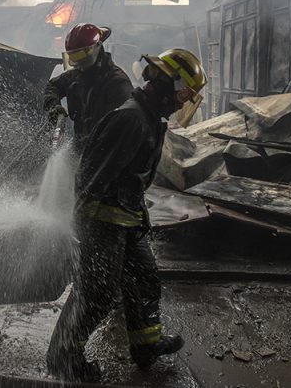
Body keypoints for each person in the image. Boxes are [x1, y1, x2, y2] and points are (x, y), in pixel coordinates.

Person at [46, 48, 207, 381]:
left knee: (144, 279)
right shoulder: (131, 119)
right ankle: (63, 356)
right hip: (105, 221)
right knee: (98, 292)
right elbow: (91, 175)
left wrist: (138, 213)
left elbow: (130, 177)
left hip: (126, 217)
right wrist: (92, 230)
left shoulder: (148, 118)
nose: (181, 102)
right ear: (170, 84)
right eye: (183, 94)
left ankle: (146, 344)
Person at [42, 23, 132, 154]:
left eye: (82, 57)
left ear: (97, 47)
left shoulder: (118, 84)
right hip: (80, 148)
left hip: (104, 154)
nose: (79, 65)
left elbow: (121, 133)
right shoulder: (77, 74)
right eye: (74, 58)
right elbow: (53, 86)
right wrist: (54, 105)